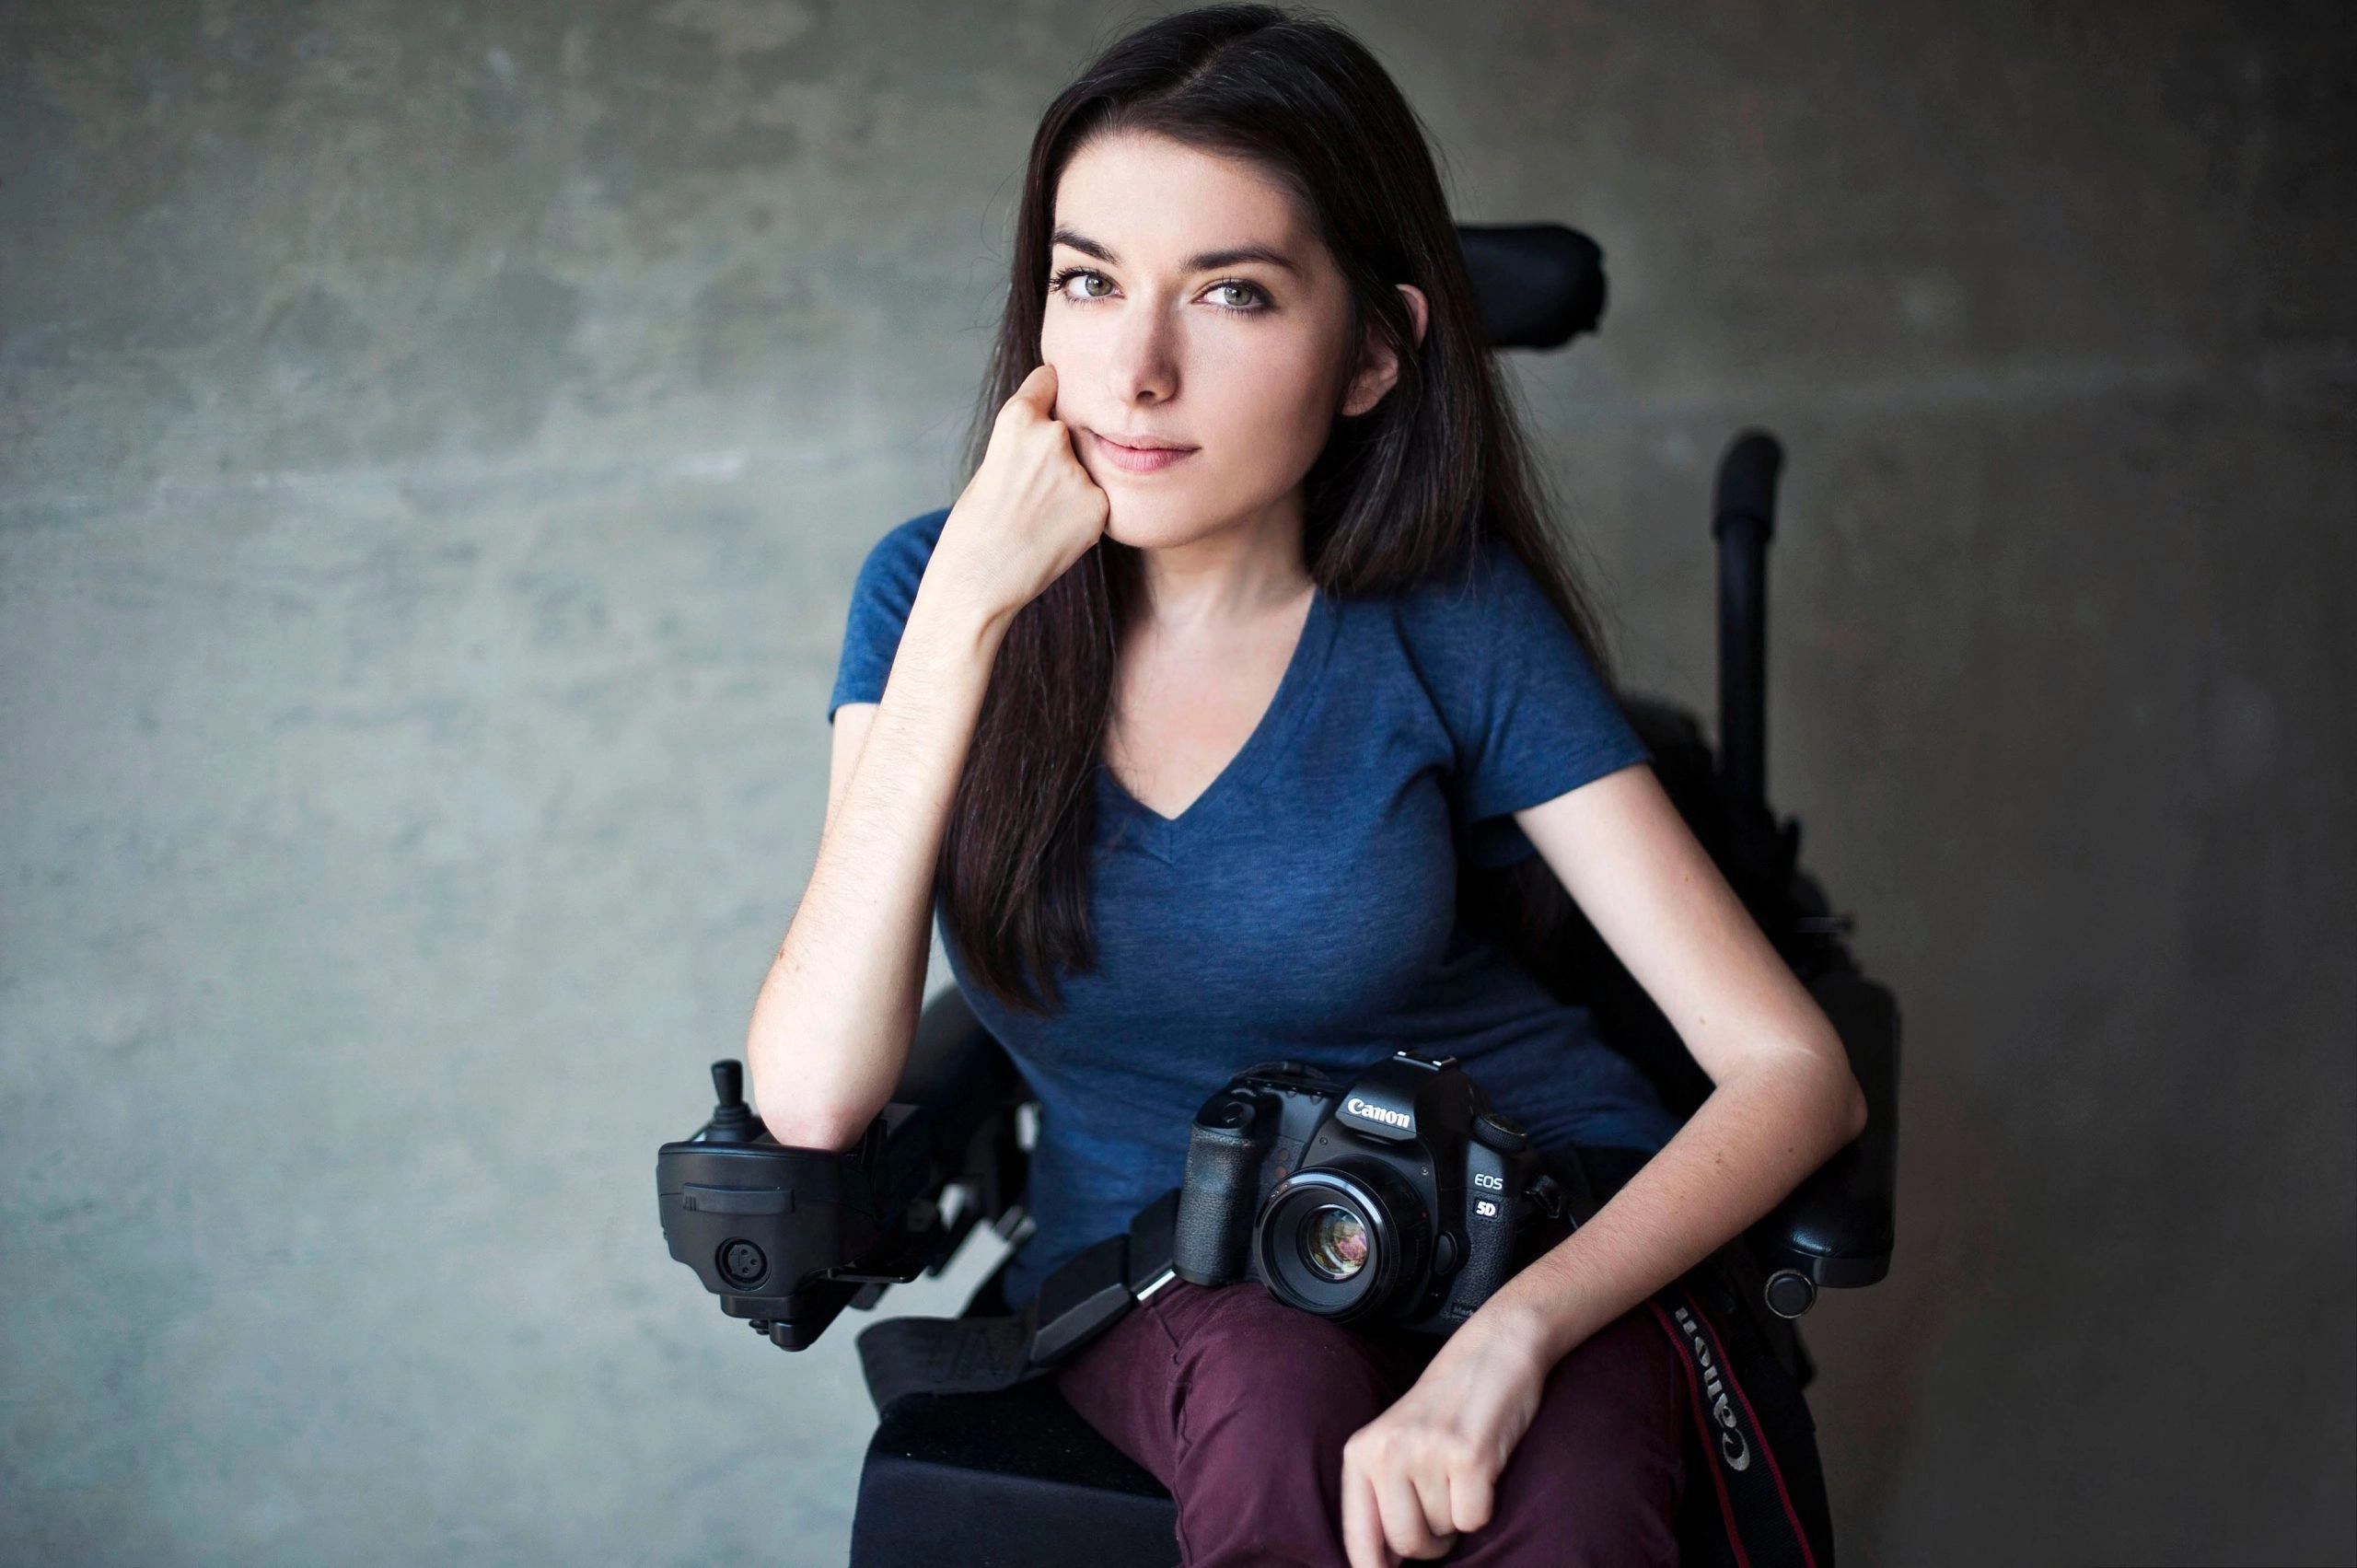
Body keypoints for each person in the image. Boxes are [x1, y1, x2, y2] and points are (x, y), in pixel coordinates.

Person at [747, 7, 1867, 1564]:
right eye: (1088, 282)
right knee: (1272, 1396)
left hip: (1528, 1210)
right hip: (1164, 1265)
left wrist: (1516, 1333)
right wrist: (967, 622)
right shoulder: (929, 599)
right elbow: (811, 1098)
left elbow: (1789, 1067)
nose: (1133, 371)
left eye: (1233, 294)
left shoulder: (1445, 614)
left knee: (1578, 1496)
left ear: (1375, 352)